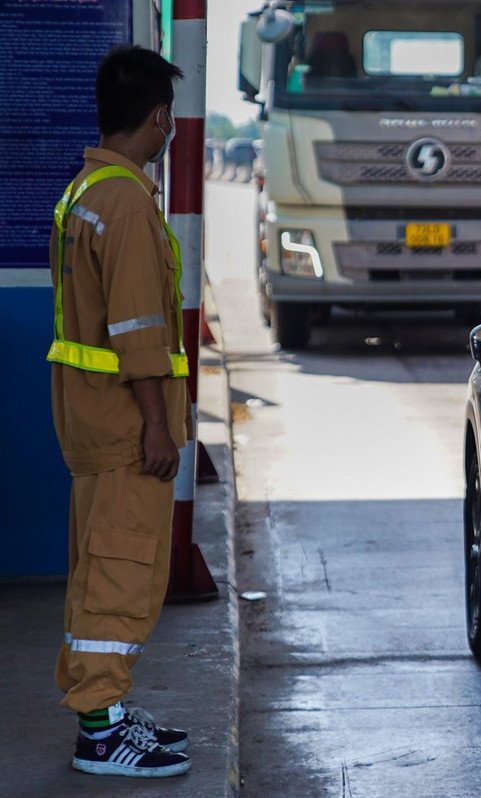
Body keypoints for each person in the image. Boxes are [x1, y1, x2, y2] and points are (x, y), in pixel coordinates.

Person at [49, 45, 194, 778]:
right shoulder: (129, 202)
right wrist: (160, 426)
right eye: (168, 123)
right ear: (158, 117)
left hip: (90, 422)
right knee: (120, 575)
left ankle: (104, 710)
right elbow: (138, 330)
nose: (170, 136)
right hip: (127, 428)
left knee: (96, 566)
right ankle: (100, 735)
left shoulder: (84, 192)